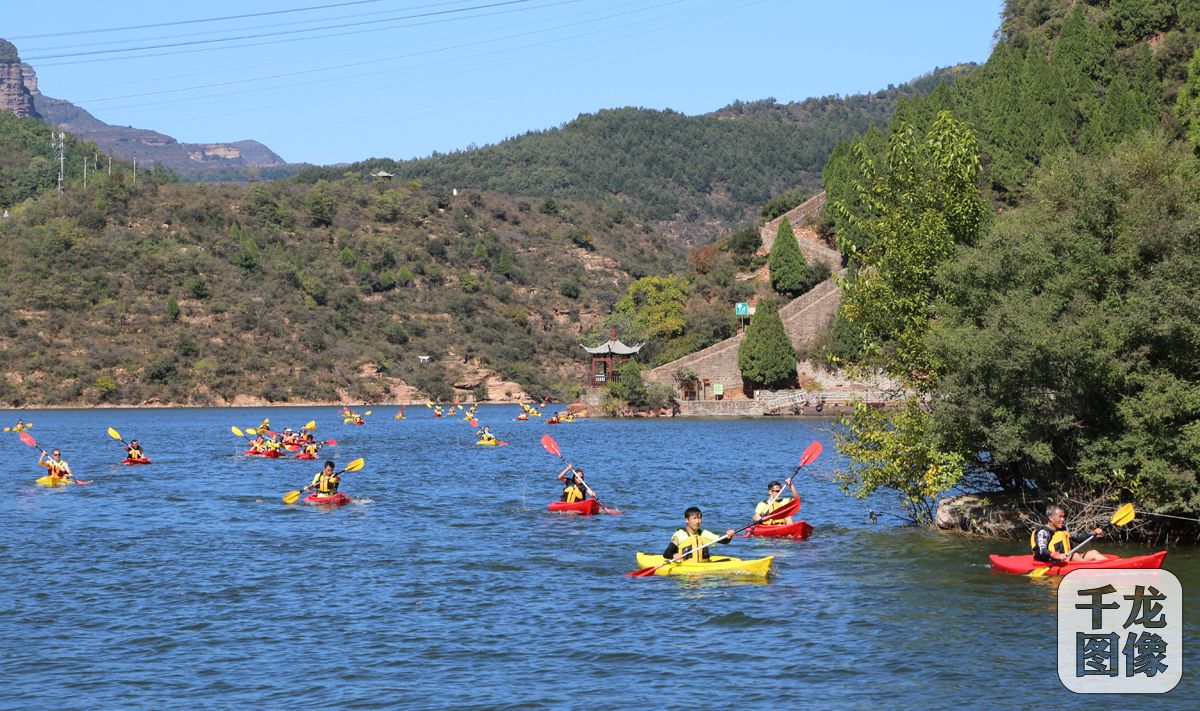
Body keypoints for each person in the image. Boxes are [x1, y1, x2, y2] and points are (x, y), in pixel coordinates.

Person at [1032, 504, 1106, 563]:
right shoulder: (1043, 532)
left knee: (1093, 552)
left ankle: (1114, 567)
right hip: (1051, 562)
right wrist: (1055, 555)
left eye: (1063, 517)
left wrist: (1093, 533)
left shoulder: (1063, 529)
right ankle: (1088, 572)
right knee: (1075, 555)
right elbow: (1042, 550)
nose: (1063, 519)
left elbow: (1078, 537)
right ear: (1051, 518)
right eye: (1060, 517)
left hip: (1066, 558)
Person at [663, 507, 735, 562]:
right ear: (687, 520)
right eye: (694, 518)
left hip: (702, 565)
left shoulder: (704, 533)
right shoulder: (680, 534)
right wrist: (674, 556)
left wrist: (729, 536)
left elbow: (723, 541)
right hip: (684, 565)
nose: (697, 521)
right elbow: (666, 553)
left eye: (699, 518)